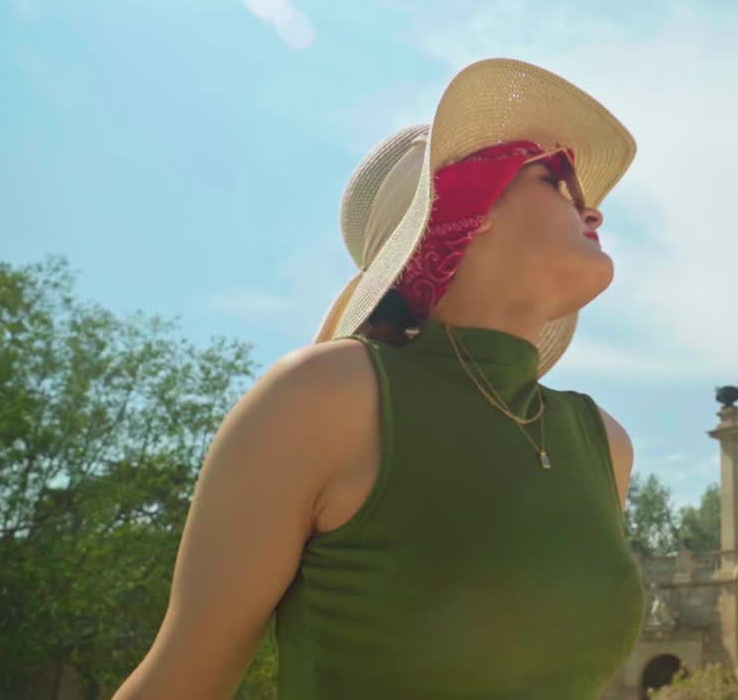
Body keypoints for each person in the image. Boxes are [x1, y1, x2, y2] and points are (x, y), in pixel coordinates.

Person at [115, 59, 644, 699]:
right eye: (557, 178)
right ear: (471, 209)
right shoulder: (323, 401)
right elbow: (181, 680)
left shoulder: (604, 445)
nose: (593, 212)